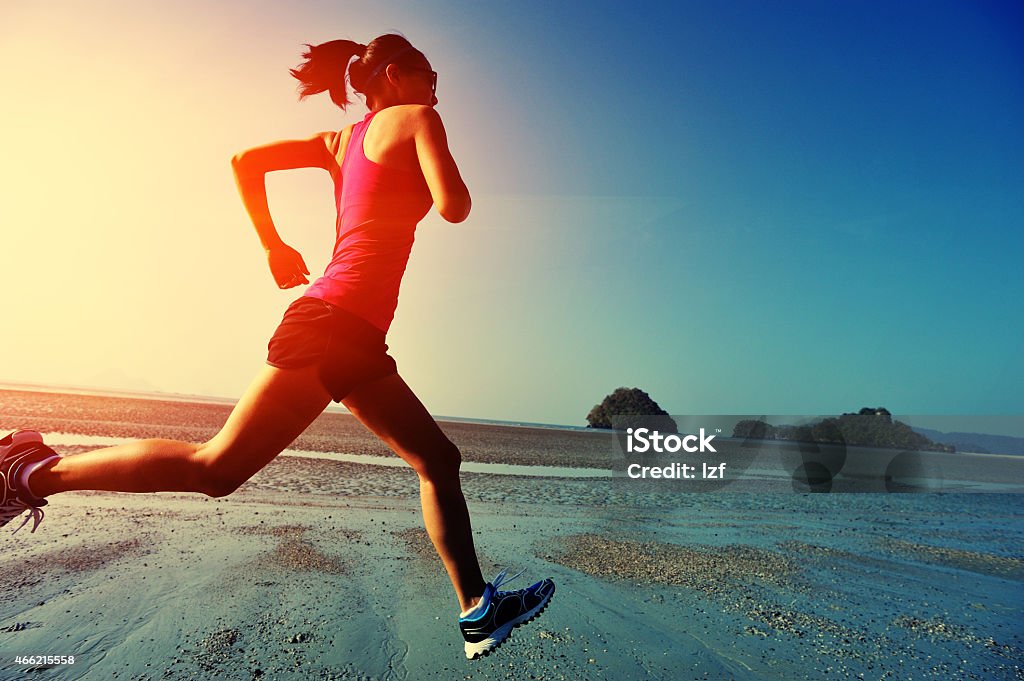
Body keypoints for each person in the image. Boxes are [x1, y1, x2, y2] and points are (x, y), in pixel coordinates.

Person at [0, 33, 553, 660]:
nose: (436, 88)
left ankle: (478, 609)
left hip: (354, 336)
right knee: (216, 469)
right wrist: (433, 148)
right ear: (397, 75)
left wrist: (273, 243)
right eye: (430, 75)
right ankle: (28, 472)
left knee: (437, 460)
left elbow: (244, 161)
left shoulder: (338, 143)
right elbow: (455, 207)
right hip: (331, 325)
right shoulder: (419, 117)